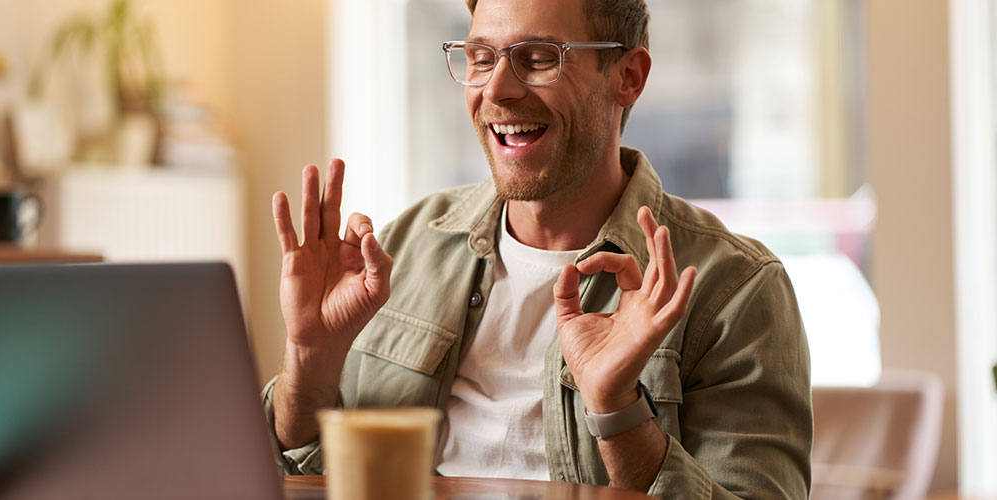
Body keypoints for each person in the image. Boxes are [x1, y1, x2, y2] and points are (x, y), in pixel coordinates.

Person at [262, 0, 812, 497]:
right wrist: (310, 363)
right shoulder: (403, 247)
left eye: (538, 57)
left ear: (628, 77)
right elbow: (292, 476)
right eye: (481, 57)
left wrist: (618, 408)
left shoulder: (736, 288)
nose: (498, 89)